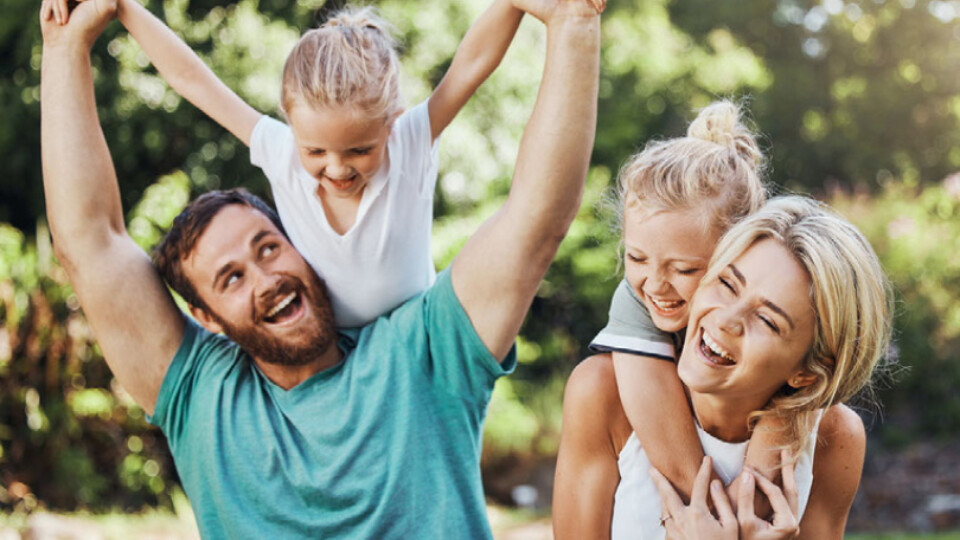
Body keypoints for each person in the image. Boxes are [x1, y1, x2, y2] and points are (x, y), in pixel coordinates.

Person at [38, 0, 602, 536]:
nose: (266, 278)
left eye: (267, 248)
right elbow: (89, 245)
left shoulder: (424, 353)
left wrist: (573, 23)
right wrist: (66, 44)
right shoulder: (201, 392)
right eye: (230, 278)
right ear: (204, 317)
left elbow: (537, 217)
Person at [56, 0, 526, 328]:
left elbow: (471, 64)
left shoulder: (411, 142)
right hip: (333, 349)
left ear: (391, 124)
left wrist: (516, 4)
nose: (337, 169)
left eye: (359, 150)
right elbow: (193, 81)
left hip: (418, 333)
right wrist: (122, 7)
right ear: (291, 126)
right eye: (316, 152)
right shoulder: (280, 152)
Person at [553, 196, 893, 539]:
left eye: (767, 320)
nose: (726, 320)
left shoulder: (835, 437)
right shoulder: (602, 391)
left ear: (806, 373)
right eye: (728, 284)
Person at [586, 100, 789, 506]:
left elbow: (795, 404)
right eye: (636, 257)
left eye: (683, 269)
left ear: (739, 252)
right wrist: (719, 522)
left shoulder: (780, 302)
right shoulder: (634, 301)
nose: (656, 285)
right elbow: (681, 471)